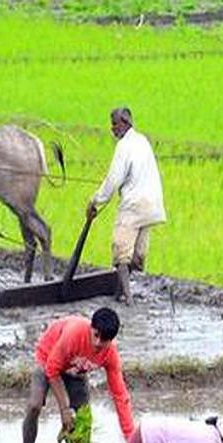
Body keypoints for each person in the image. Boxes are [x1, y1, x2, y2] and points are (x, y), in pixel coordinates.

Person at [22, 307, 135, 443]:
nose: (97, 343)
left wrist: (131, 440)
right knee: (34, 405)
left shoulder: (111, 355)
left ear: (111, 340)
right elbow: (52, 369)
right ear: (91, 328)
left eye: (104, 340)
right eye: (95, 335)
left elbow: (120, 396)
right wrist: (64, 409)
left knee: (84, 417)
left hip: (75, 369)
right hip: (48, 357)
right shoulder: (74, 334)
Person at [86, 106, 166, 304]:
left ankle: (128, 300)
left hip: (134, 204)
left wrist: (95, 201)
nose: (112, 129)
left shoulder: (124, 146)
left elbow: (113, 180)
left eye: (114, 124)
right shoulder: (143, 141)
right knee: (137, 255)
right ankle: (118, 293)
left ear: (125, 123)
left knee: (121, 252)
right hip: (152, 205)